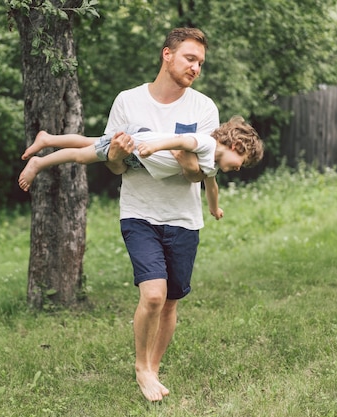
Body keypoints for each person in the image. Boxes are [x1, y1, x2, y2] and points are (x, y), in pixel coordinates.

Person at [102, 27, 227, 402]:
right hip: (139, 213)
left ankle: (153, 368)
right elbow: (114, 167)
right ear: (167, 55)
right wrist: (114, 155)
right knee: (153, 295)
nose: (196, 68)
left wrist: (184, 158)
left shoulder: (204, 109)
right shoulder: (127, 101)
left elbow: (198, 175)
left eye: (201, 63)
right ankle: (141, 368)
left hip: (184, 219)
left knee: (171, 299)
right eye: (190, 58)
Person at [17, 116, 264, 220]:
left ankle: (47, 139)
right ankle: (39, 162)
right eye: (242, 164)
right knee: (82, 157)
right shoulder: (206, 143)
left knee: (91, 142)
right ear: (236, 146)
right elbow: (179, 141)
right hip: (138, 146)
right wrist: (154, 148)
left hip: (138, 154)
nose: (239, 169)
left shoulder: (210, 166)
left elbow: (212, 187)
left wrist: (215, 208)